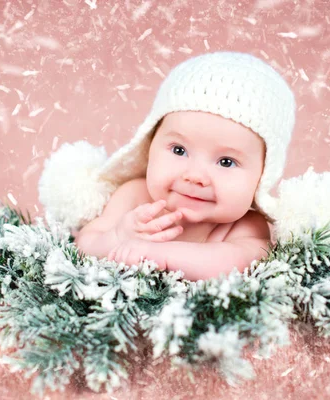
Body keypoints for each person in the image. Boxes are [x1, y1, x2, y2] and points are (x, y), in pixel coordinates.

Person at [41, 51, 296, 281]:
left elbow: (236, 263)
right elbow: (84, 245)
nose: (195, 176)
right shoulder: (134, 196)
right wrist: (117, 237)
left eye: (226, 162)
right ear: (150, 144)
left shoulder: (245, 225)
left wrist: (160, 254)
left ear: (262, 175)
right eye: (179, 150)